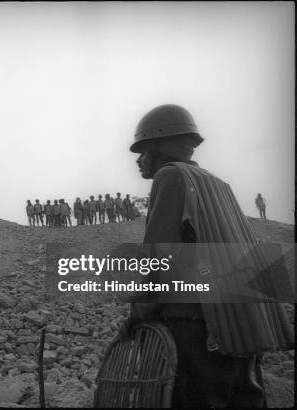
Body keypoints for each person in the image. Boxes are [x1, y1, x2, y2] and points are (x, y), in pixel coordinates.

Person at [121, 104, 293, 407]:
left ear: (160, 147)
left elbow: (161, 257)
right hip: (240, 325)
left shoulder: (170, 177)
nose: (139, 160)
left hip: (195, 330)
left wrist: (138, 313)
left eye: (143, 150)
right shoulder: (218, 184)